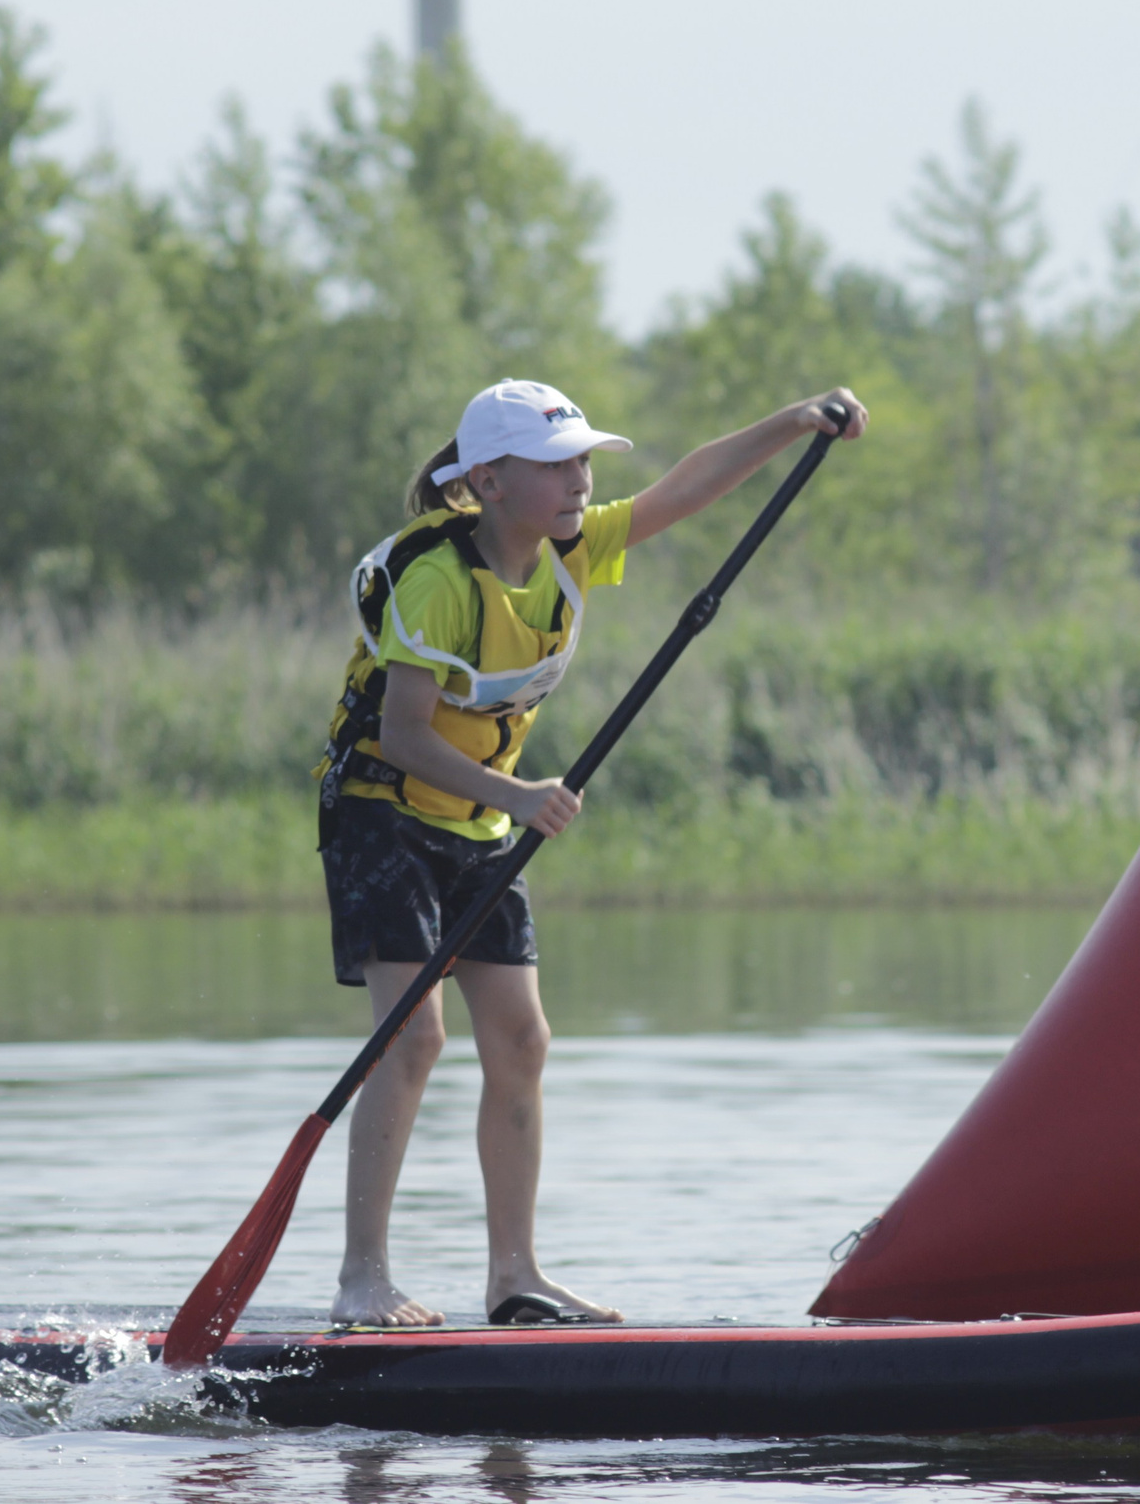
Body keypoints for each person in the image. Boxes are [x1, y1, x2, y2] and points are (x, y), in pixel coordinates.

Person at [315, 377, 869, 1327]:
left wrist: (791, 422)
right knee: (414, 1037)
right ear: (488, 482)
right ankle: (362, 1276)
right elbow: (404, 734)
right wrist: (521, 795)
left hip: (484, 822)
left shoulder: (569, 552)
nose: (579, 480)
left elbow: (684, 490)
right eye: (557, 465)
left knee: (523, 1041)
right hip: (383, 811)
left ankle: (514, 1275)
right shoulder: (440, 580)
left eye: (582, 461)